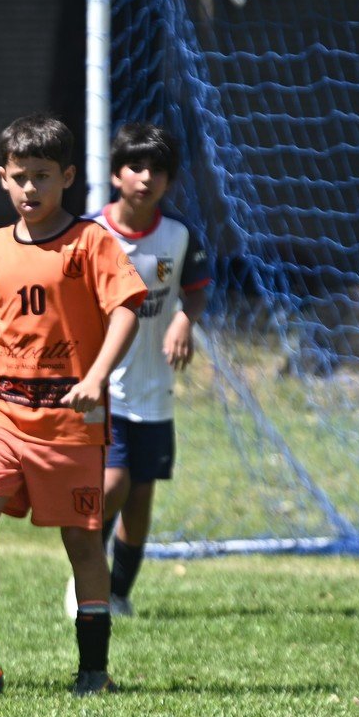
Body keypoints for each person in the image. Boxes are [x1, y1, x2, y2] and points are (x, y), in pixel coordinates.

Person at [0, 114, 147, 699]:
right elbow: (1, 330)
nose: (31, 189)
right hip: (4, 415)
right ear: (3, 179)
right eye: (20, 177)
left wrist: (95, 376)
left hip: (70, 421)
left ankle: (93, 671)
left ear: (67, 177)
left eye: (43, 176)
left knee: (81, 543)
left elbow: (127, 310)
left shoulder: (91, 242)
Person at [62, 122, 211, 618]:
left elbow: (196, 286)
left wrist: (184, 320)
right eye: (136, 167)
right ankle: (85, 577)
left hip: (155, 389)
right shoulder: (89, 234)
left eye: (158, 170)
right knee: (113, 482)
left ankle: (119, 592)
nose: (146, 178)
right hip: (103, 388)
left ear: (170, 180)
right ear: (116, 174)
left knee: (141, 495)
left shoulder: (178, 235)